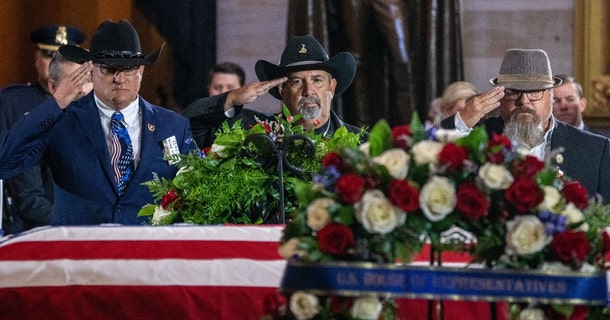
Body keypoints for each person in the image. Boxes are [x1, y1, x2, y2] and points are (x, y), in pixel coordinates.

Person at [0, 19, 202, 225]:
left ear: (141, 71)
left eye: (128, 69)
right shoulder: (61, 120)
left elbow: (200, 192)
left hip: (148, 252)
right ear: (91, 71)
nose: (119, 79)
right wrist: (56, 103)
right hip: (80, 251)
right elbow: (4, 162)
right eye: (109, 69)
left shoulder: (174, 126)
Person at [441, 48, 610, 211]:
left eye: (535, 91)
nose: (524, 101)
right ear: (500, 97)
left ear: (551, 96)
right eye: (513, 92)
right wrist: (461, 121)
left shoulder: (593, 149)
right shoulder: (479, 139)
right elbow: (423, 159)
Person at [183, 35, 365, 149]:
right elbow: (186, 129)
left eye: (317, 80)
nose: (308, 90)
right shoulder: (253, 132)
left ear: (331, 87)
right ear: (282, 90)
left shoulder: (361, 144)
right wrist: (232, 98)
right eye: (297, 81)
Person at [0, 24, 86, 233]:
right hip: (32, 226)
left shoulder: (95, 110)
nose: (57, 62)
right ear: (37, 57)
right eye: (50, 56)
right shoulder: (12, 100)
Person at [552, 74, 610, 209]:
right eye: (556, 101)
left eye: (570, 99)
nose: (564, 106)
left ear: (582, 104)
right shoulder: (544, 144)